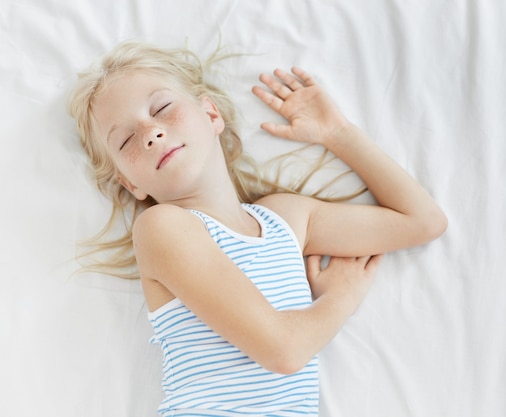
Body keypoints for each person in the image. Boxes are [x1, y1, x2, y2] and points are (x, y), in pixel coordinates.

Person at [69, 41, 447, 416]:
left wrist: (337, 133)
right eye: (126, 140)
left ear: (211, 114)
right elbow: (284, 351)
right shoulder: (162, 228)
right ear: (130, 183)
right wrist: (341, 298)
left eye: (162, 108)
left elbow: (422, 221)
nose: (150, 133)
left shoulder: (286, 219)